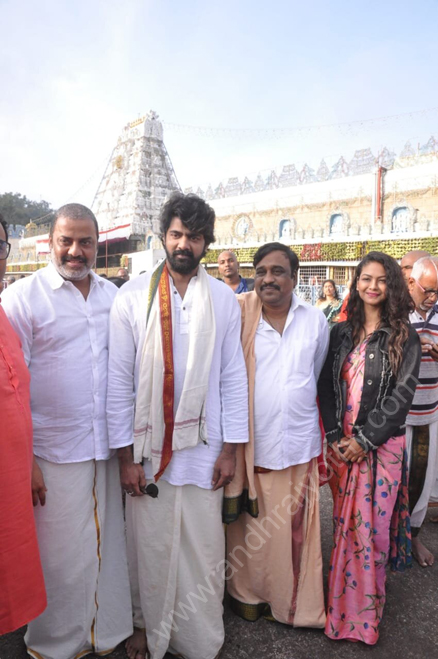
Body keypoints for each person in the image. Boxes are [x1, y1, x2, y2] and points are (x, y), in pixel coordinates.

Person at [107, 192, 249, 659]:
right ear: (163, 237)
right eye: (176, 234)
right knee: (148, 545)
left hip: (205, 447)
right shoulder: (131, 296)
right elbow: (119, 382)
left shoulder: (224, 299)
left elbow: (233, 376)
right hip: (149, 451)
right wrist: (125, 458)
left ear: (207, 242)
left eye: (194, 236)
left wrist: (230, 450)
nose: (184, 243)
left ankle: (197, 637)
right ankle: (146, 626)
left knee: (203, 547)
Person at [2, 203, 132, 659]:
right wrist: (27, 461)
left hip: (103, 446)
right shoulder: (23, 298)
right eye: (66, 241)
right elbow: (13, 385)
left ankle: (104, 631)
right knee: (57, 555)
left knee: (105, 545)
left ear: (98, 245)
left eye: (86, 242)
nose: (76, 251)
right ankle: (55, 643)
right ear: (51, 243)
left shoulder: (113, 297)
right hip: (50, 451)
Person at [318, 251, 421, 645]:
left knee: (371, 533)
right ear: (356, 283)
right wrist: (334, 436)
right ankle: (341, 606)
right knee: (344, 528)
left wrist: (364, 440)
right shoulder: (340, 332)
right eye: (365, 278)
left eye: (381, 279)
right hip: (341, 448)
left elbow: (401, 397)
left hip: (380, 446)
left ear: (391, 285)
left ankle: (363, 617)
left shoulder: (403, 336)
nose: (372, 286)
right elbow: (326, 386)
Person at [225, 242, 329, 628]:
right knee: (252, 534)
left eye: (277, 271)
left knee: (292, 534)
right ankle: (249, 595)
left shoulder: (315, 320)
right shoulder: (240, 316)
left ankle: (291, 602)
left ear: (295, 277)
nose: (268, 279)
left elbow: (315, 374)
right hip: (253, 447)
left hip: (299, 445)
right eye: (261, 271)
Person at [0, 214, 46, 636]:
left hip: (11, 483)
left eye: (0, 246)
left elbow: (17, 399)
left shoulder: (3, 316)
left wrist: (29, 464)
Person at [405, 256, 438, 566]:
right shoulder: (395, 314)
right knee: (394, 479)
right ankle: (390, 536)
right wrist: (412, 343)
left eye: (437, 292)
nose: (432, 298)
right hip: (397, 415)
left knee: (422, 478)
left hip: (429, 411)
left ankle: (413, 536)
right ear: (411, 283)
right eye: (428, 290)